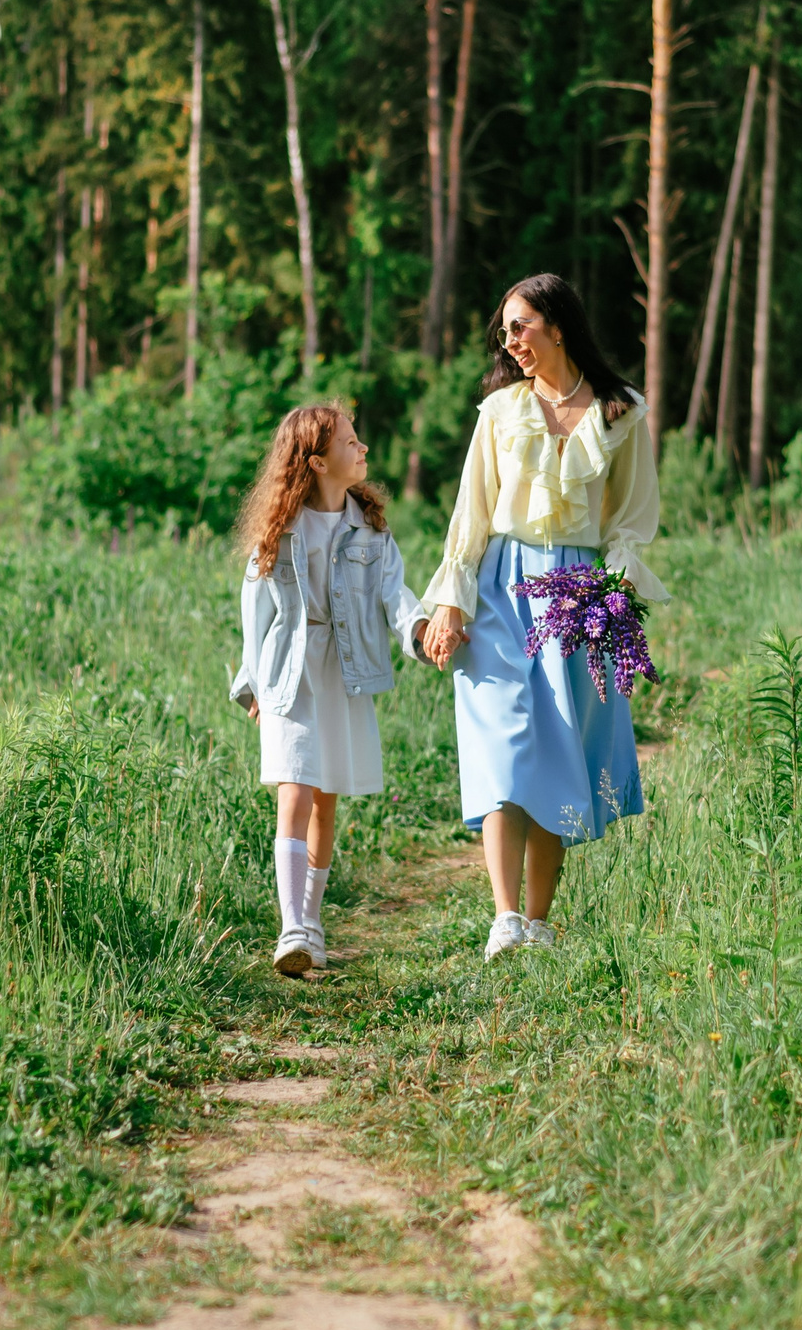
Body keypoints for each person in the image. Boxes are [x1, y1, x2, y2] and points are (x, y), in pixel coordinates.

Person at [418, 274, 666, 961]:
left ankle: (539, 920)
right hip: (501, 585)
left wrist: (610, 594)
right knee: (501, 742)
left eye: (520, 325)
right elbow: (469, 517)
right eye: (505, 330)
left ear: (557, 325)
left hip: (577, 593)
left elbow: (632, 520)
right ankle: (503, 917)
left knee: (559, 744)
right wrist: (450, 602)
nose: (510, 341)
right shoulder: (499, 413)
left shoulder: (621, 413)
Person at [230, 404, 429, 976]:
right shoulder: (279, 532)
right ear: (316, 462)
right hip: (290, 673)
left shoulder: (369, 528)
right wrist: (253, 687)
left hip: (344, 672)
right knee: (293, 792)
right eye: (350, 442)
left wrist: (419, 634)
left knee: (324, 799)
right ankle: (291, 926)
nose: (363, 449)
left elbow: (396, 594)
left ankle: (312, 923)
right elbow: (255, 613)